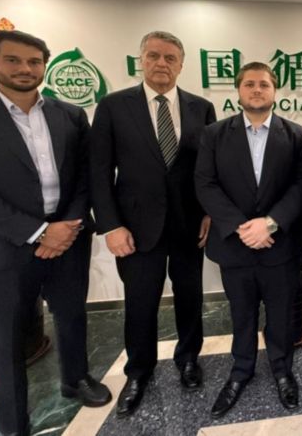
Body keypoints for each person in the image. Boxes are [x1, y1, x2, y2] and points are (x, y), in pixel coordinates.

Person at [0, 30, 110, 436]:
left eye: (34, 61)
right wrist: (40, 232)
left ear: (44, 66)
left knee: (71, 315)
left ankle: (75, 378)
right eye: (13, 60)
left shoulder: (69, 115)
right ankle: (13, 421)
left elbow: (85, 177)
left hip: (67, 238)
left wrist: (66, 227)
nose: (25, 68)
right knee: (5, 336)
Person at [90, 30, 216, 416]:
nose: (162, 63)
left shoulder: (201, 108)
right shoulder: (114, 106)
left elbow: (208, 169)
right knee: (140, 302)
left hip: (189, 224)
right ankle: (139, 372)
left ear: (181, 64)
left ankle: (189, 359)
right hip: (135, 228)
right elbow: (98, 172)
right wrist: (111, 226)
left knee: (190, 297)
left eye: (170, 58)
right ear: (141, 60)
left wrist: (209, 211)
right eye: (154, 56)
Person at [195, 62, 302, 418]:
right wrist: (242, 227)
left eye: (263, 84)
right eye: (249, 84)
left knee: (281, 315)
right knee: (241, 313)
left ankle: (282, 370)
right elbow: (205, 184)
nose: (256, 89)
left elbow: (301, 185)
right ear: (239, 90)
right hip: (235, 244)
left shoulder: (296, 134)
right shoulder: (214, 134)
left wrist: (270, 224)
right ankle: (241, 370)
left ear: (274, 91)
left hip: (279, 244)